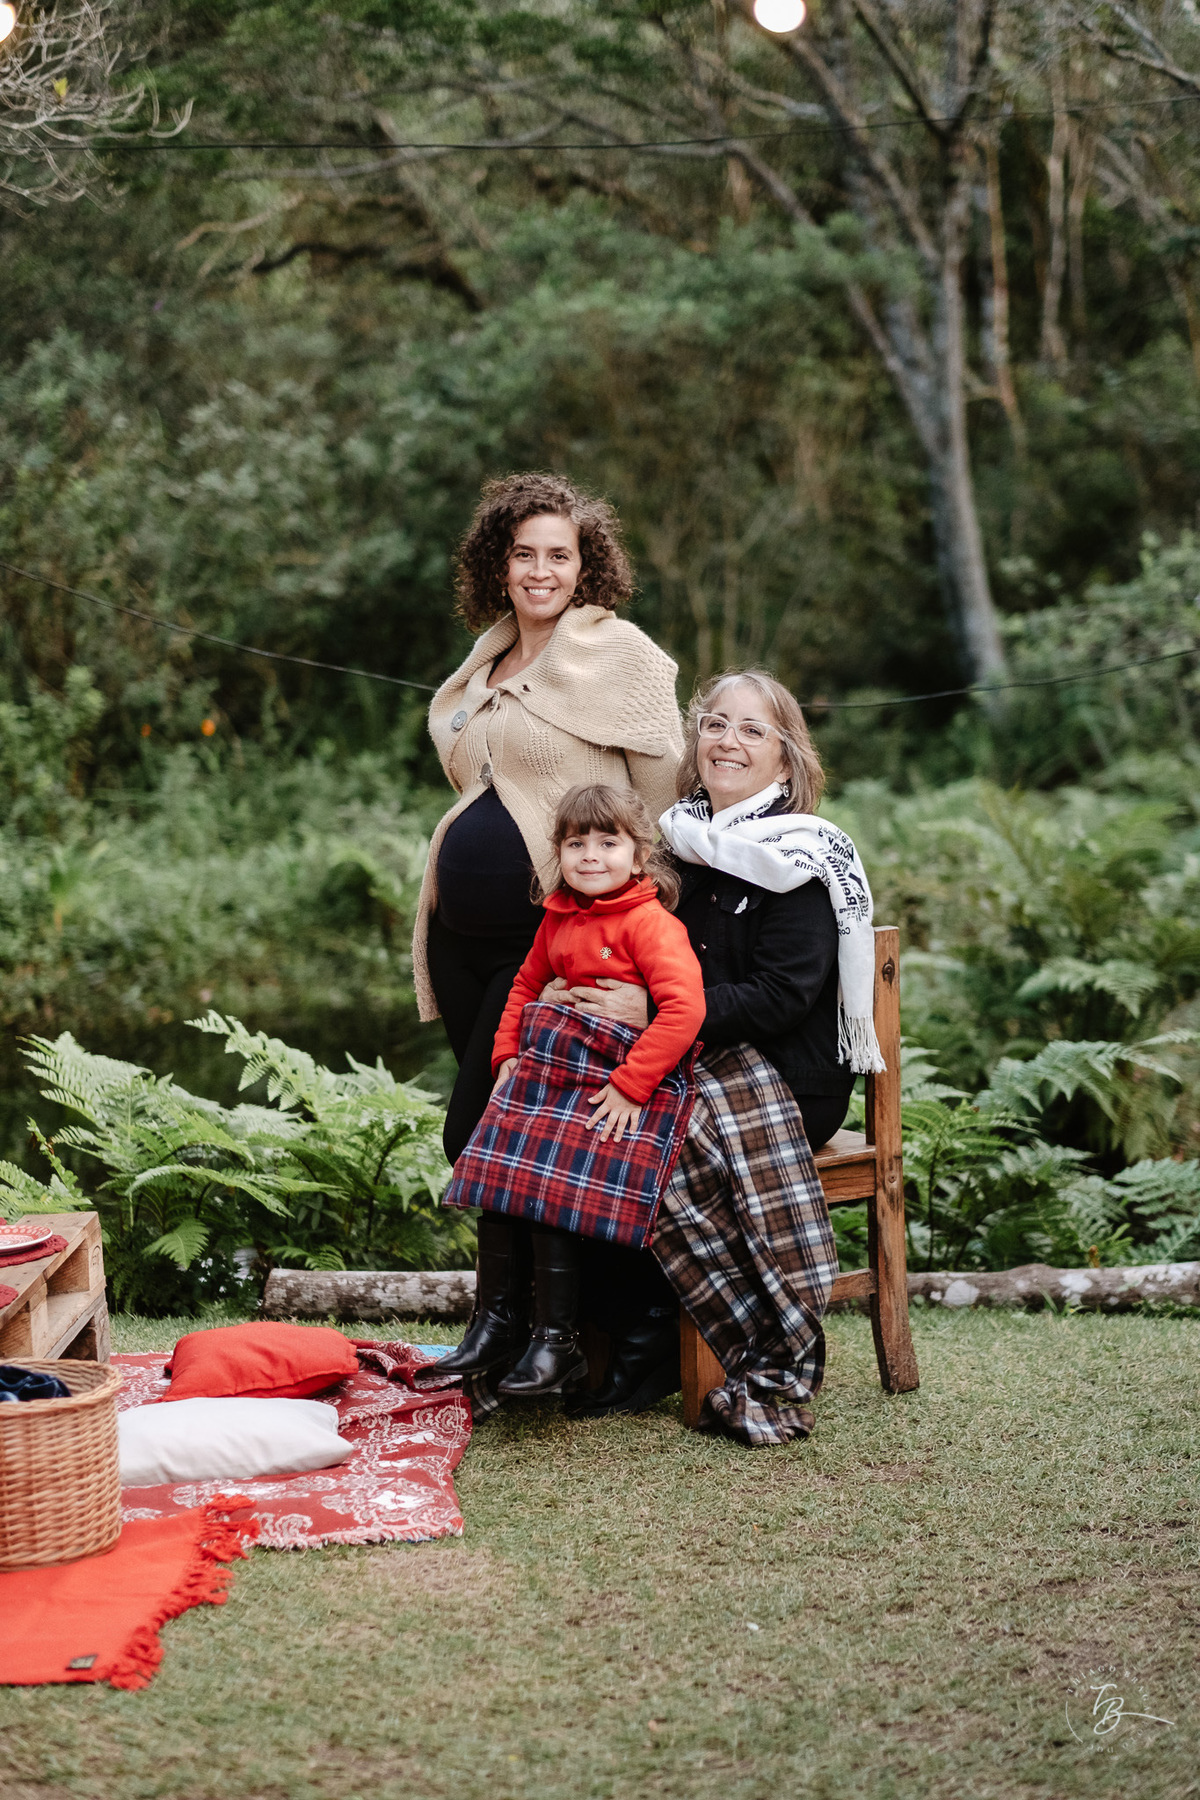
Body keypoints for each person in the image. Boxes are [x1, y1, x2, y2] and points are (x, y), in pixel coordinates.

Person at [551, 670, 883, 1443]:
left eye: (752, 730)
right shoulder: (673, 849)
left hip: (786, 1075)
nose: (728, 741)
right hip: (687, 1056)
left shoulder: (804, 857)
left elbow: (780, 998)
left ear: (787, 759)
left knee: (647, 1132)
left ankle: (661, 1341)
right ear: (695, 742)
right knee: (573, 1114)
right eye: (715, 724)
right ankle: (612, 1331)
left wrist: (663, 1013)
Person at [413, 472, 684, 1171]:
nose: (541, 571)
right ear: (497, 565)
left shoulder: (620, 656)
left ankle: (537, 1287)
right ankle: (529, 1285)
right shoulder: (488, 662)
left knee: (476, 1135)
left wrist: (638, 948)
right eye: (524, 553)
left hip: (541, 941)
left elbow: (664, 809)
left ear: (584, 565)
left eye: (558, 555)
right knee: (517, 1138)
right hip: (456, 942)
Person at [435, 783, 706, 1398]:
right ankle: (496, 1320)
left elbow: (683, 1011)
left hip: (623, 1081)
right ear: (557, 853)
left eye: (608, 842)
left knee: (544, 1176)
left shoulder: (648, 923)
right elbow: (524, 988)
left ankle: (557, 1341)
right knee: (501, 1165)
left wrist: (633, 1087)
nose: (590, 855)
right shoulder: (557, 918)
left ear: (638, 856)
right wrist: (505, 1054)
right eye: (575, 842)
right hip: (560, 1072)